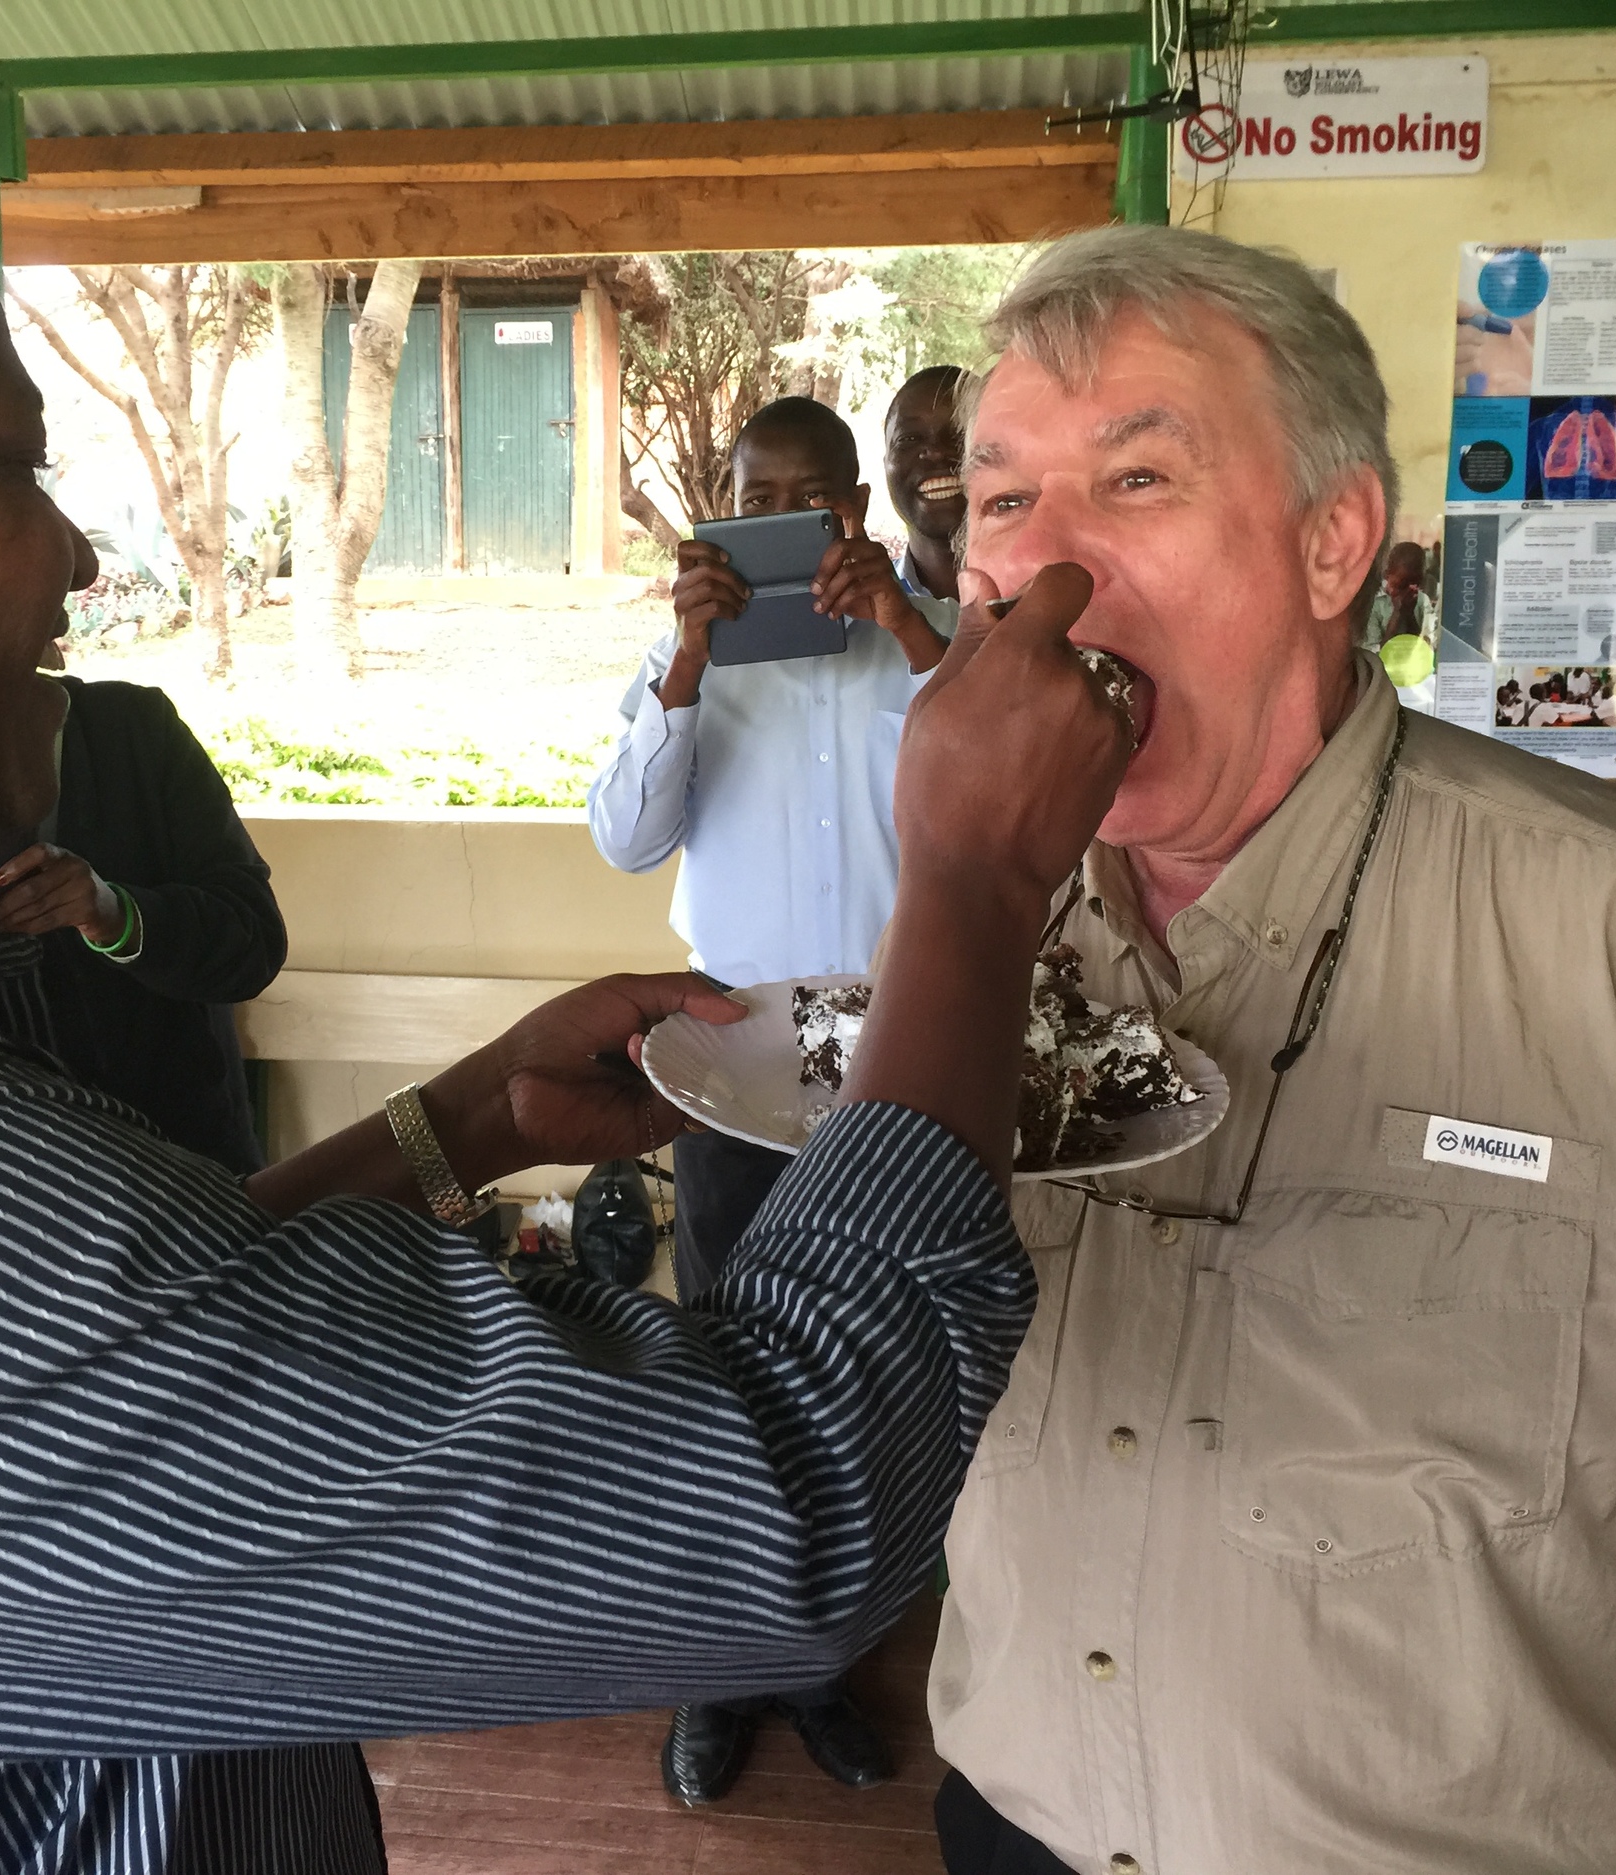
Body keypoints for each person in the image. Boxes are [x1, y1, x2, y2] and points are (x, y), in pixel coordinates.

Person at [0, 66, 1137, 1875]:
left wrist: (443, 1131)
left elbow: (89, 1391)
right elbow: (780, 1505)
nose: (74, 556)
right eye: (7, 463)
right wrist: (974, 870)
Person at [932, 222, 1616, 1875]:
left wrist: (1544, 1739)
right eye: (1004, 498)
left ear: (1333, 548)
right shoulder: (975, 930)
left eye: (1138, 480)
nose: (1044, 565)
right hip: (1015, 1823)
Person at [589, 393, 954, 1808]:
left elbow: (994, 787)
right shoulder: (687, 656)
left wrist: (911, 631)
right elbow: (625, 838)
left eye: (815, 497)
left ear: (853, 505)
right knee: (726, 1373)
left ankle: (818, 1661)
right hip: (732, 1057)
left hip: (887, 1057)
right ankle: (716, 1663)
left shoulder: (921, 639)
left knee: (862, 1371)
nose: (792, 521)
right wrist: (688, 653)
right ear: (723, 506)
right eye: (760, 496)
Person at [0, 652, 288, 1172]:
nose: (83, 574)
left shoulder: (129, 731)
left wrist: (115, 914)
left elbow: (252, 943)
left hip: (176, 1164)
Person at [883, 364, 972, 608]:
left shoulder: (1060, 598)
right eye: (909, 439)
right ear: (886, 463)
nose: (935, 452)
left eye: (960, 432)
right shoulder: (860, 610)